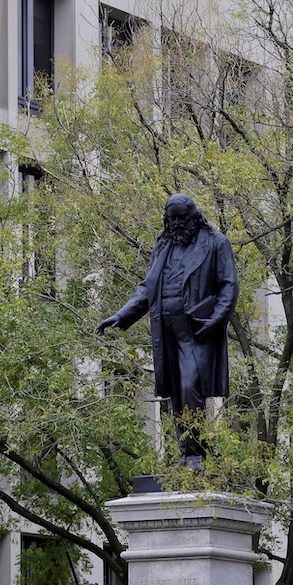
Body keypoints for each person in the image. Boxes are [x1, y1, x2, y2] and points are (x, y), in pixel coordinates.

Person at [96, 194, 238, 468]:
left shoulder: (215, 243)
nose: (175, 223)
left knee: (190, 387)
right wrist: (122, 314)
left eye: (180, 217)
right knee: (176, 392)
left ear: (192, 215)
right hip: (167, 329)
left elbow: (229, 286)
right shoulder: (163, 245)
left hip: (197, 329)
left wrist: (217, 319)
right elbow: (146, 288)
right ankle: (186, 454)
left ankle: (197, 454)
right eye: (171, 218)